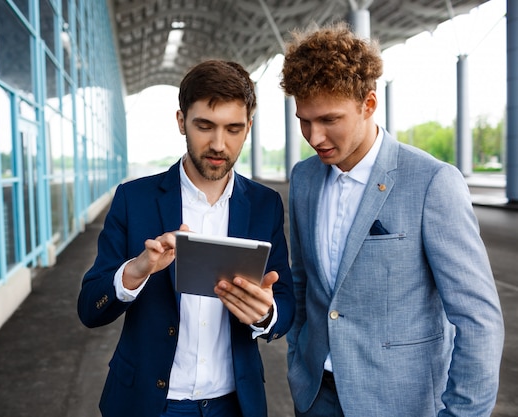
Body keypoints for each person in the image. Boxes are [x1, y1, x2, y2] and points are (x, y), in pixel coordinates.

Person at [280, 22, 505, 417]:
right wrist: (299, 359)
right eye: (304, 120)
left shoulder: (432, 182)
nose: (314, 137)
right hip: (316, 395)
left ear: (368, 104)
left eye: (330, 119)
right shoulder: (304, 178)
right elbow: (303, 283)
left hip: (400, 402)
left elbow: (478, 321)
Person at [78, 59, 295, 417]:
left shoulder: (265, 205)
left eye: (234, 129)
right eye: (204, 126)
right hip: (150, 404)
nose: (218, 144)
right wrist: (137, 270)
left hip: (234, 404)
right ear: (181, 122)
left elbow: (285, 301)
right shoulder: (135, 200)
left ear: (249, 127)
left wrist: (266, 313)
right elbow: (90, 308)